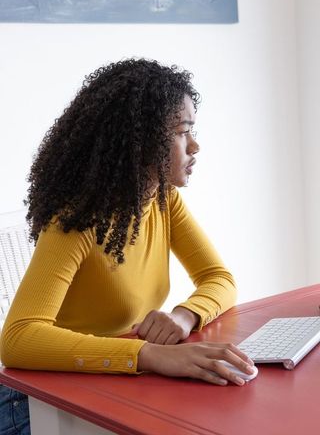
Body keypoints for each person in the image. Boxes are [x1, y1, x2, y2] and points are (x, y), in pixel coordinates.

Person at [0, 58, 255, 434]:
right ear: (140, 141)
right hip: (36, 403)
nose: (195, 145)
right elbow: (18, 339)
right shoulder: (76, 222)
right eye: (183, 132)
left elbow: (218, 278)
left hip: (114, 384)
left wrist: (184, 316)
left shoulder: (164, 202)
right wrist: (149, 355)